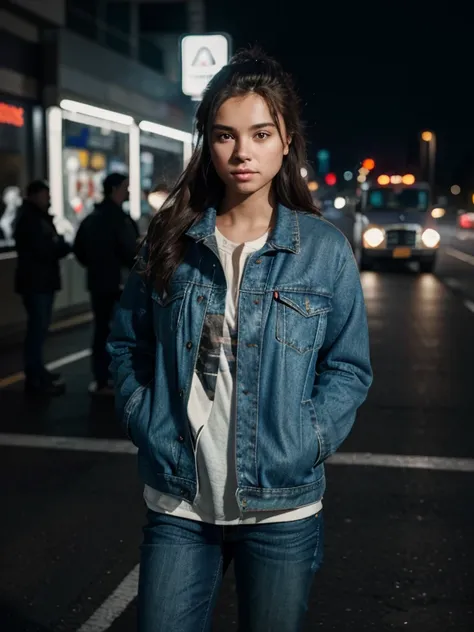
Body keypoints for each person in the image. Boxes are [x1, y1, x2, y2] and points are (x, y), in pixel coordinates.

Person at [108, 48, 373, 632]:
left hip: (283, 505)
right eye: (225, 135)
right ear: (208, 143)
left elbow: (348, 367)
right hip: (180, 501)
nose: (242, 152)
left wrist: (309, 438)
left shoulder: (322, 250)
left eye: (260, 133)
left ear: (286, 141)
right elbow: (128, 344)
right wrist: (141, 416)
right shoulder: (172, 240)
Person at [73, 173, 139, 395]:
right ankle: (120, 378)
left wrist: (95, 267)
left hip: (97, 283)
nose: (128, 192)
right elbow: (131, 251)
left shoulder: (92, 218)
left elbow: (79, 250)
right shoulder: (120, 219)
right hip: (119, 284)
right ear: (114, 189)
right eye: (125, 187)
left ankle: (100, 378)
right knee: (124, 332)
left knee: (101, 330)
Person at [14, 180, 70, 396]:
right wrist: (60, 246)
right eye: (45, 195)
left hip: (38, 281)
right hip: (37, 282)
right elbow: (44, 249)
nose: (48, 199)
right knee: (37, 329)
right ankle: (34, 376)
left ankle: (37, 371)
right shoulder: (31, 220)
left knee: (39, 328)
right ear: (35, 195)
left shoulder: (34, 218)